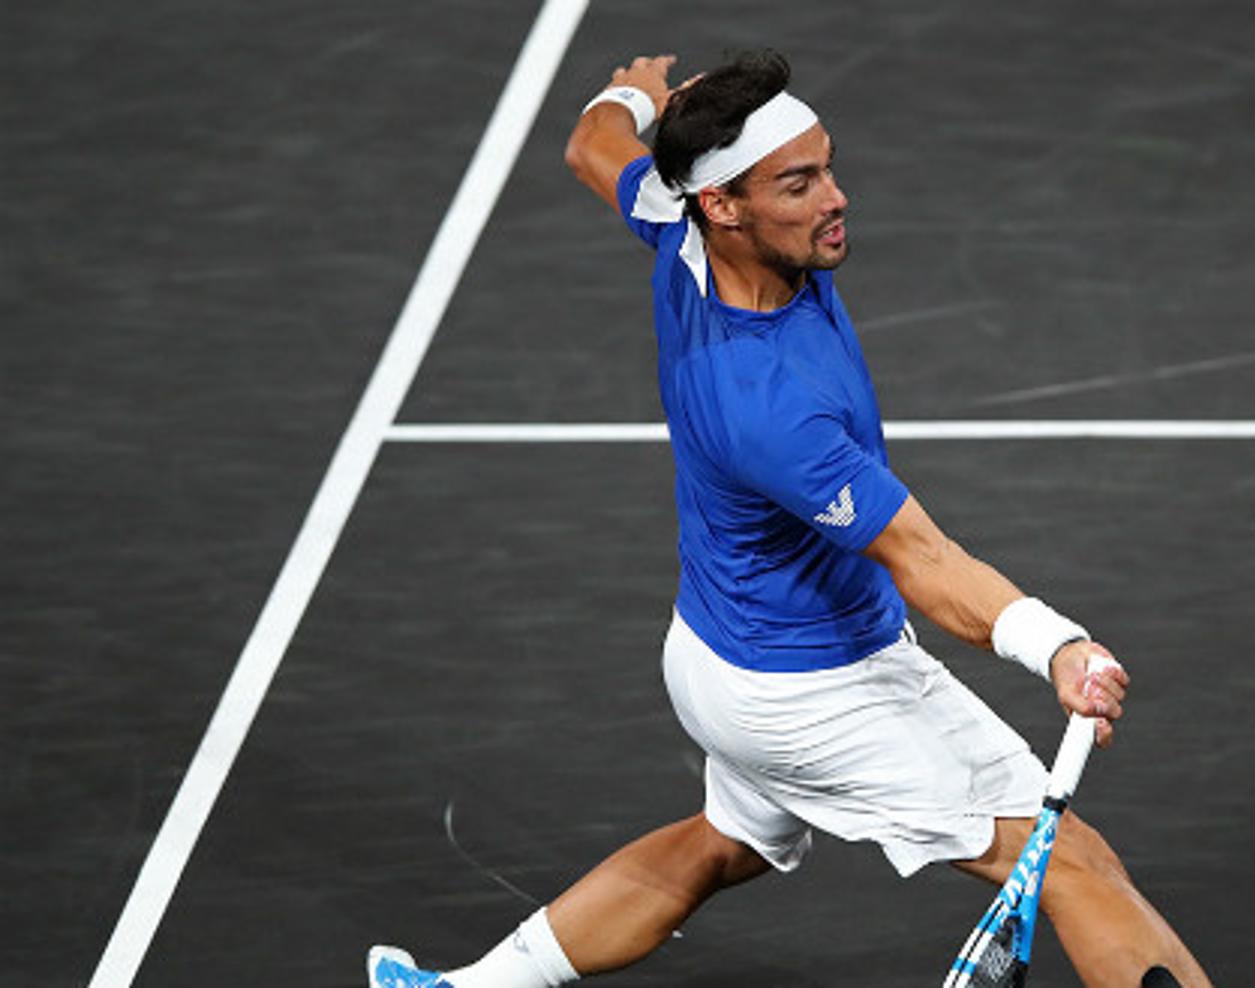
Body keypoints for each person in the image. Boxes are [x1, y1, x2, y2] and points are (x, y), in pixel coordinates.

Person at [367, 49, 1211, 988]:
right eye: (799, 184)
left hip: (718, 653)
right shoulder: (768, 407)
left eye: (829, 167)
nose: (835, 198)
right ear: (726, 206)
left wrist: (632, 98)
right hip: (809, 693)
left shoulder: (675, 221)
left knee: (722, 844)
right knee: (1079, 872)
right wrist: (1056, 646)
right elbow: (924, 561)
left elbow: (591, 145)